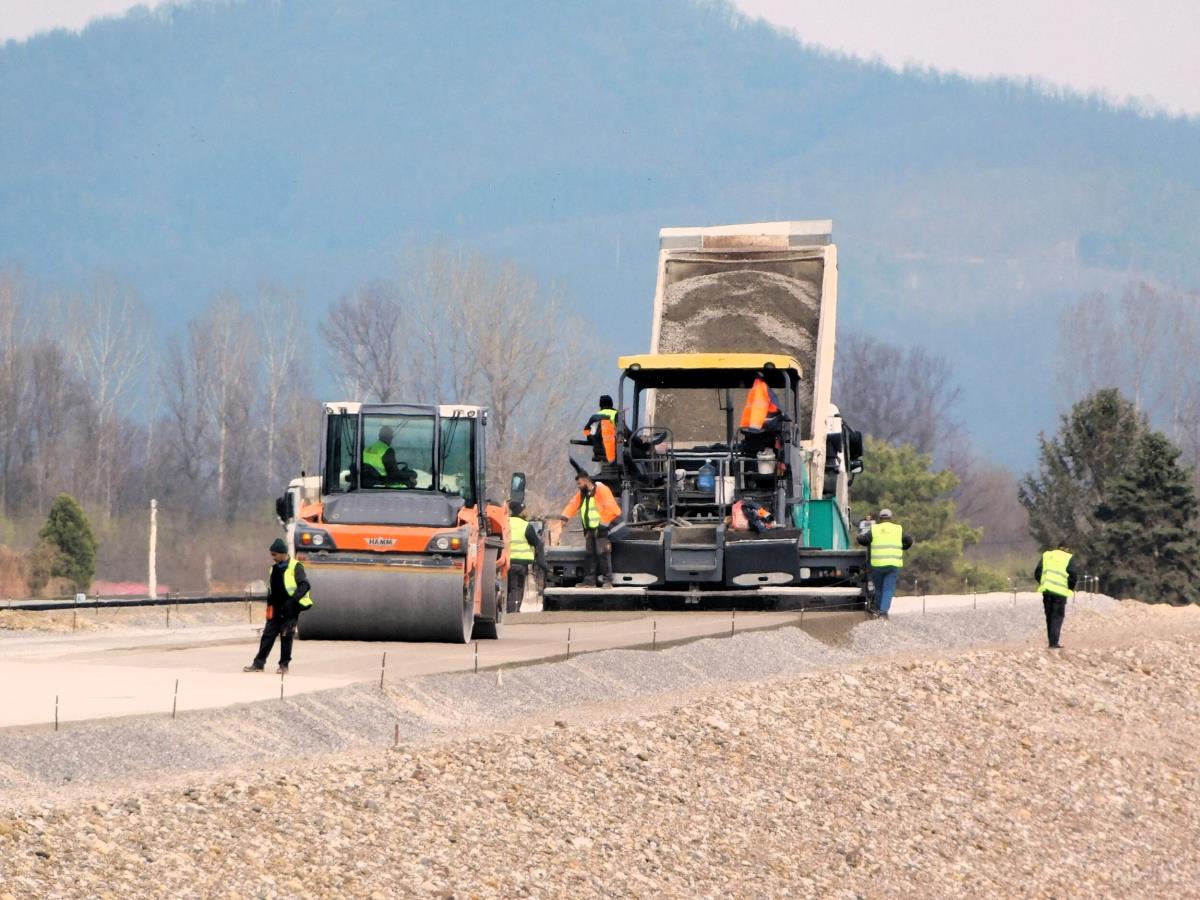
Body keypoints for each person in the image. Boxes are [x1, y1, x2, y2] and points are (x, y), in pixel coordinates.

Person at [244, 538, 312, 674]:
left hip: (290, 609)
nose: (272, 557)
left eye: (274, 555)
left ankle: (283, 666)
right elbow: (272, 590)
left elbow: (305, 585)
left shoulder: (296, 567)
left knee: (286, 637)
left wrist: (292, 601)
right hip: (275, 608)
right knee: (267, 636)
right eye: (272, 554)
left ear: (282, 553)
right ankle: (258, 664)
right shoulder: (273, 569)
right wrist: (269, 607)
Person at [561, 470, 622, 588]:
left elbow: (612, 509)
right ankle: (589, 581)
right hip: (590, 529)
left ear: (585, 480)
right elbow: (573, 504)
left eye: (579, 483)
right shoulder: (584, 493)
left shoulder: (601, 490)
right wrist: (564, 517)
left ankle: (607, 581)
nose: (578, 486)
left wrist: (603, 525)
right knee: (590, 555)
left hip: (601, 528)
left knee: (603, 554)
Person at [856, 508, 912, 619]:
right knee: (888, 589)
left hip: (877, 565)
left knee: (879, 588)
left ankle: (877, 609)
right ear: (891, 518)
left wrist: (858, 536)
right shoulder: (898, 529)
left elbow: (863, 540)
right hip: (893, 565)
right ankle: (883, 612)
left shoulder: (875, 529)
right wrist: (902, 547)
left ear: (880, 519)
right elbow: (909, 541)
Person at [1033, 541, 1077, 649]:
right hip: (1060, 592)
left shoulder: (1047, 555)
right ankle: (1054, 643)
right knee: (1057, 617)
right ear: (1067, 549)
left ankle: (1051, 642)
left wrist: (1043, 582)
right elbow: (1073, 575)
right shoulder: (1068, 558)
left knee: (1049, 616)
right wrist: (1070, 587)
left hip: (1047, 590)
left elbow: (1037, 572)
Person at [506, 500, 543, 613]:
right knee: (518, 587)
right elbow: (535, 542)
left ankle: (506, 609)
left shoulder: (506, 522)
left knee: (508, 587)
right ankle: (514, 611)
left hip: (506, 562)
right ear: (520, 511)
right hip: (521, 563)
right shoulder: (526, 525)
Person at [582, 395, 619, 463]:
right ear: (611, 404)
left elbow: (585, 431)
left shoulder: (595, 416)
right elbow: (625, 432)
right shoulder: (616, 414)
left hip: (598, 451)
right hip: (613, 451)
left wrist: (592, 438)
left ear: (600, 405)